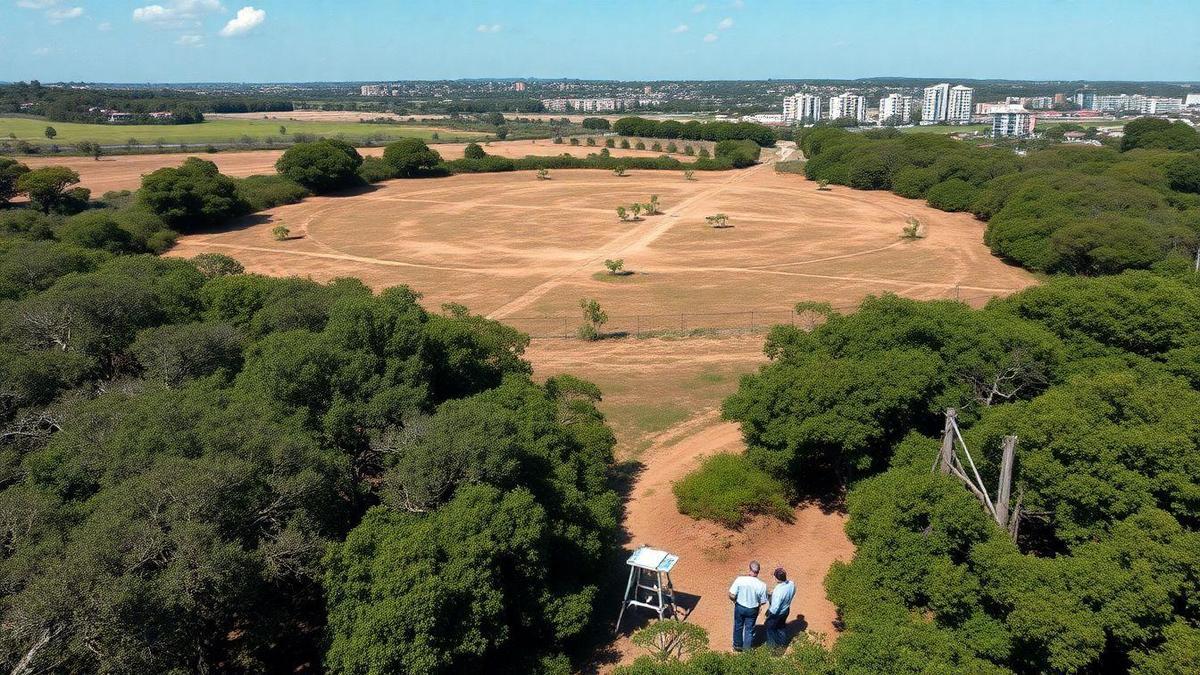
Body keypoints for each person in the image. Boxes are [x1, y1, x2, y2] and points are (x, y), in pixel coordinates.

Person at [728, 560, 767, 651]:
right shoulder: (762, 585)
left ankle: (737, 646)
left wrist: (734, 601)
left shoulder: (740, 579)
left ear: (750, 569)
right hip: (753, 609)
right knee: (749, 629)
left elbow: (731, 594)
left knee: (738, 626)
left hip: (740, 607)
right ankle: (747, 650)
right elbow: (763, 601)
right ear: (758, 571)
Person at [765, 566, 796, 649]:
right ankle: (782, 646)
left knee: (770, 628)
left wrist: (769, 613)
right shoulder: (791, 584)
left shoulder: (778, 591)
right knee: (781, 627)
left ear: (777, 578)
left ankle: (773, 650)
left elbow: (775, 608)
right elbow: (793, 593)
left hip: (777, 613)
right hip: (786, 609)